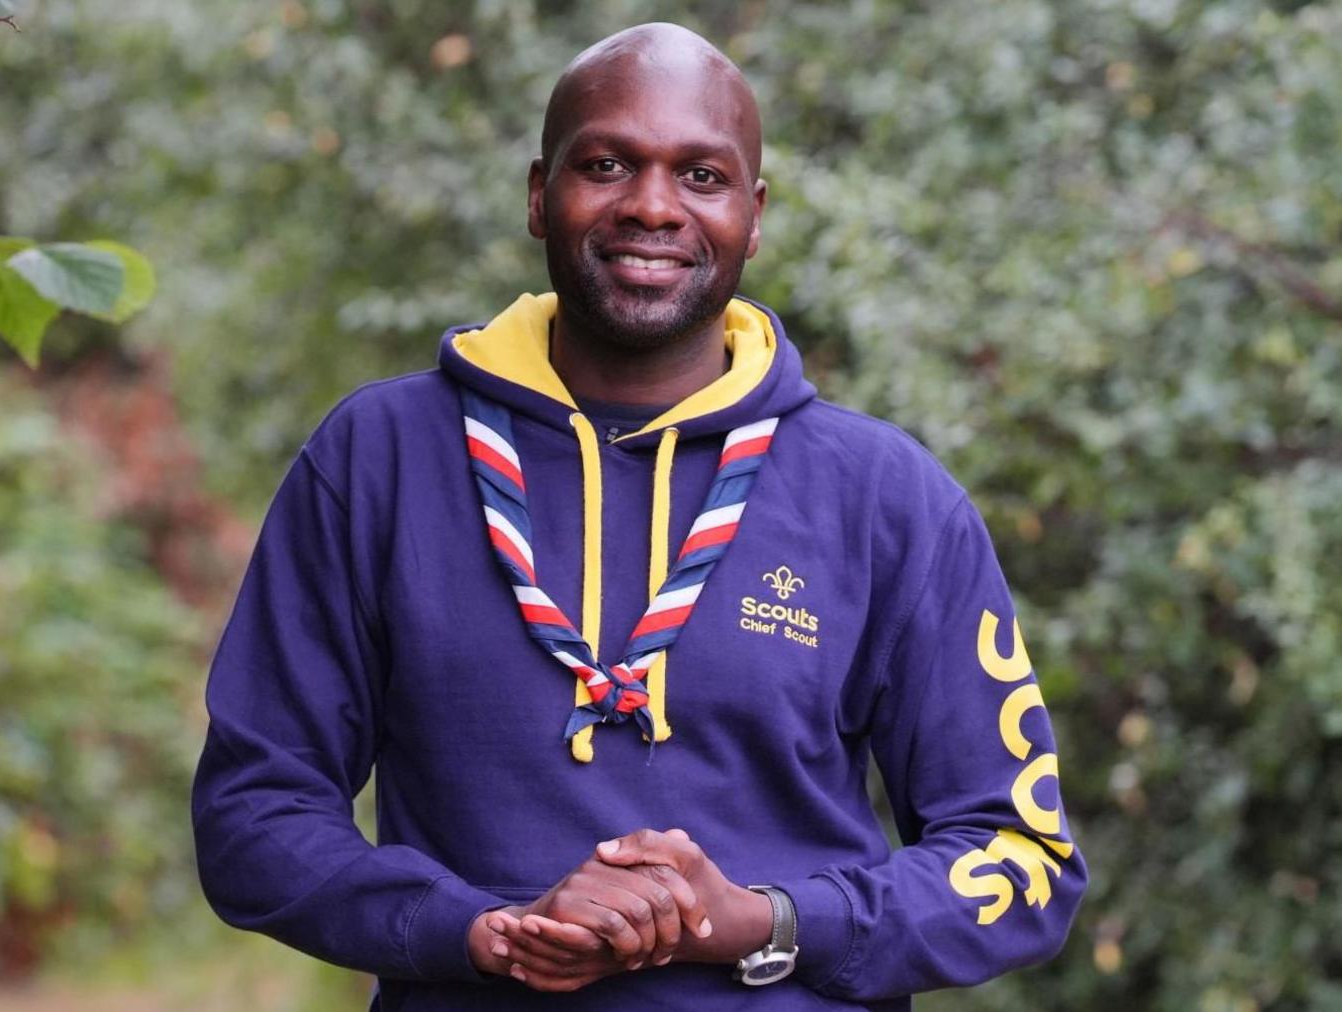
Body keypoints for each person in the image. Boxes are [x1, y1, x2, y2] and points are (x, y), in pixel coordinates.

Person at [191, 22, 1085, 1011]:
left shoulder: (886, 496)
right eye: (607, 164)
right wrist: (477, 932)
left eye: (700, 176)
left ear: (755, 212)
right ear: (540, 195)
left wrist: (763, 921)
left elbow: (1019, 857)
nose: (651, 206)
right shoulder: (379, 458)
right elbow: (252, 814)